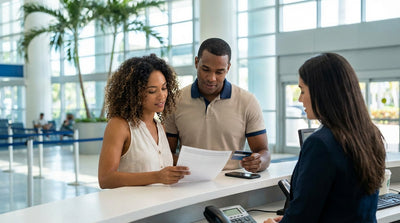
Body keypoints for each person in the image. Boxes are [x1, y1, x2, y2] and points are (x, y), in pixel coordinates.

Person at [264, 53, 386, 223]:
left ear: (321, 93)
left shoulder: (320, 143)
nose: (300, 99)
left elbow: (303, 216)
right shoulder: (370, 133)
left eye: (302, 90)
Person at [165, 38, 271, 172]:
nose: (211, 78)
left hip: (232, 183)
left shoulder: (247, 101)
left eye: (219, 72)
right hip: (189, 182)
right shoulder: (175, 101)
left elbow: (264, 151)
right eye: (206, 69)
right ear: (196, 62)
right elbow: (167, 153)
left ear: (228, 68)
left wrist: (259, 161)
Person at [98, 54, 190, 189]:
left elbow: (159, 163)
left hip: (163, 206)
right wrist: (157, 177)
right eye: (152, 91)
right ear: (134, 93)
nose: (162, 96)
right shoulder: (119, 125)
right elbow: (106, 179)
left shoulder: (159, 126)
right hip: (133, 207)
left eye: (164, 88)